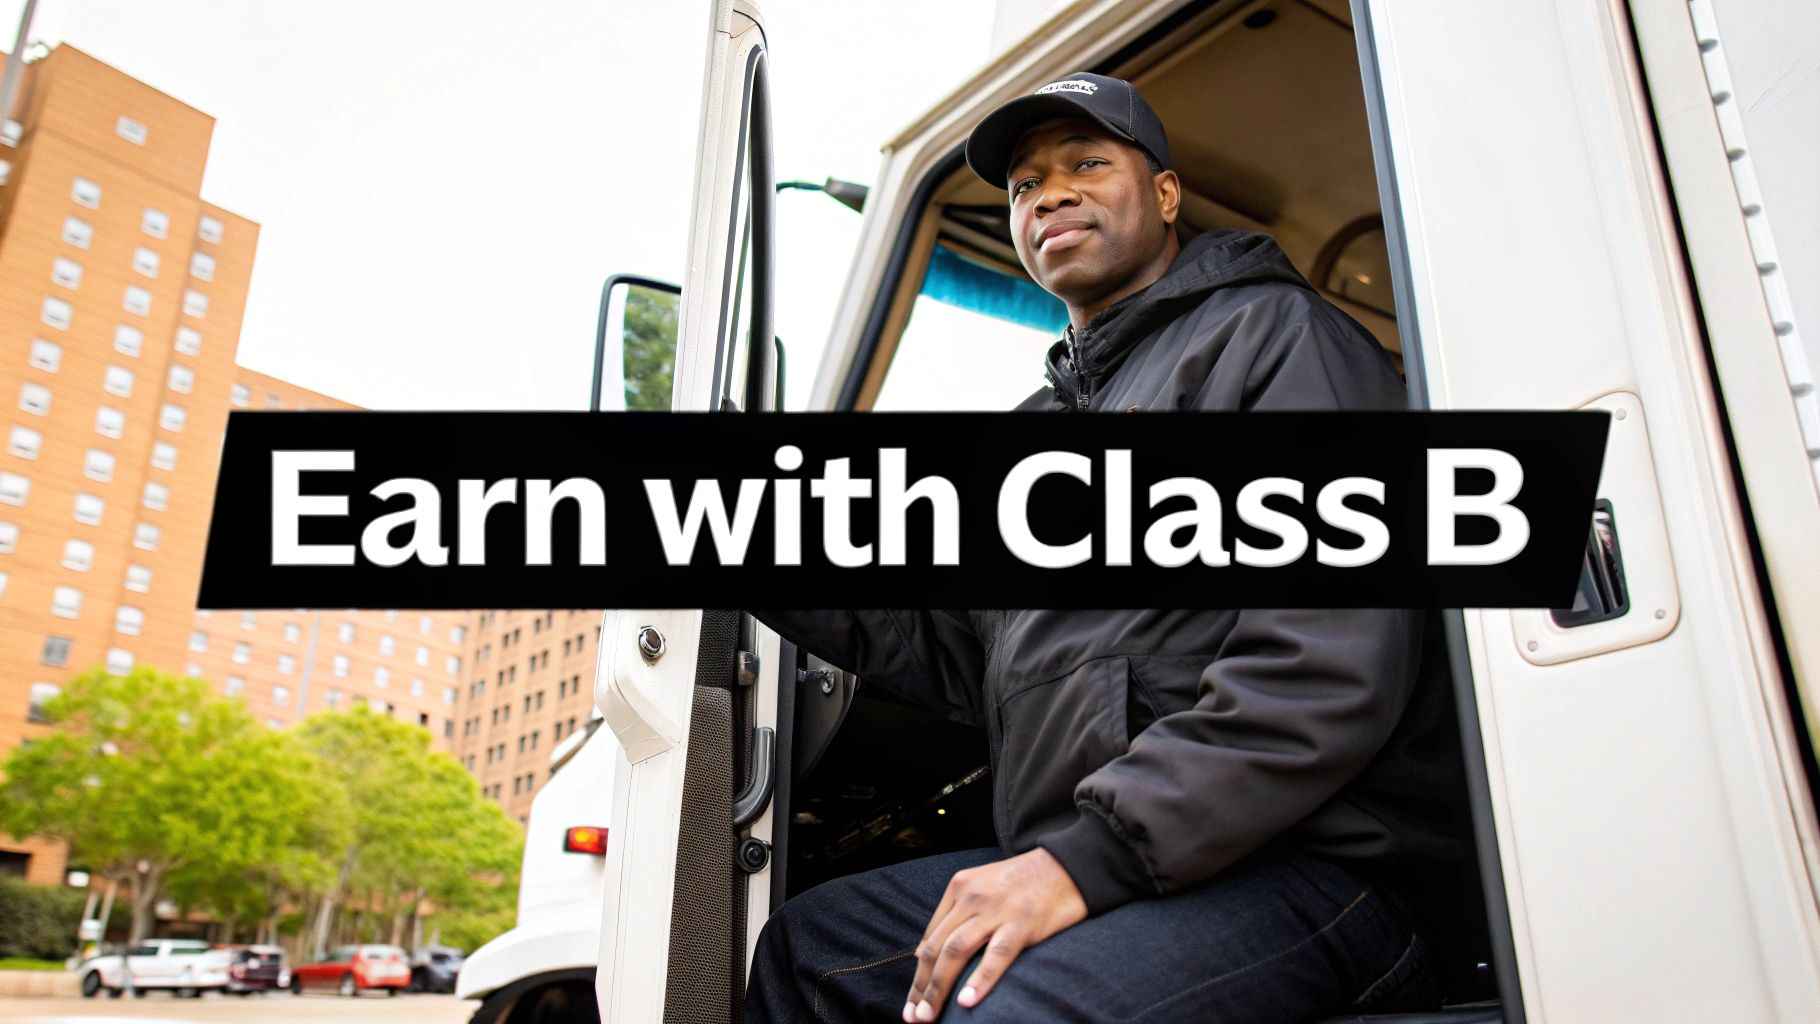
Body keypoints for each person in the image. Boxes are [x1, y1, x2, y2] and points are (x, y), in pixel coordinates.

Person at [745, 72, 1477, 1023]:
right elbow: (970, 657)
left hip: (1316, 863)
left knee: (1009, 1013)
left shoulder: (1278, 339)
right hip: (1126, 862)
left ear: (1165, 195)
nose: (1048, 193)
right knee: (813, 946)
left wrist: (1079, 863)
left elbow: (1323, 667)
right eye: (1021, 186)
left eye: (1086, 163)